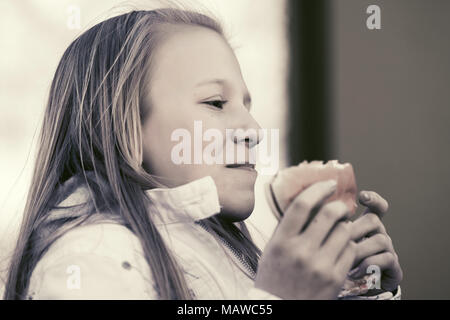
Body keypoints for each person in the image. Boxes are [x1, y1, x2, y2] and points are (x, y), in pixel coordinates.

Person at [3, 8, 402, 300]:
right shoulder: (90, 258)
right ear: (123, 127)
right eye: (215, 102)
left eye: (247, 105)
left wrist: (354, 291)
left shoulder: (218, 247)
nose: (254, 131)